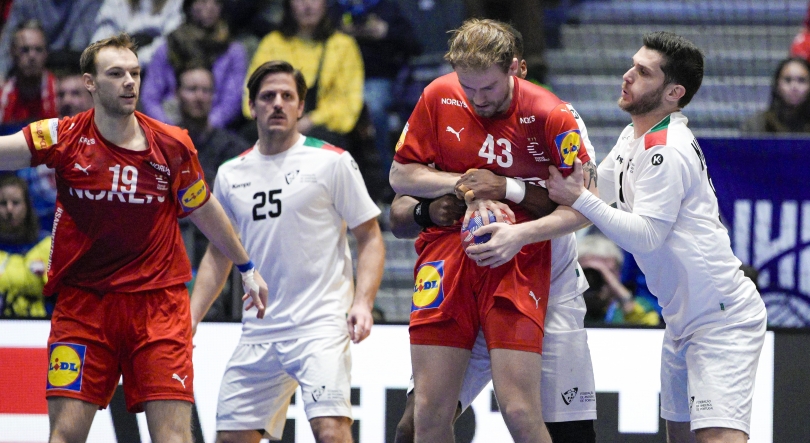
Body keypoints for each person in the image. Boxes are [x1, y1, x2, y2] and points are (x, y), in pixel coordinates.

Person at [0, 33, 269, 443]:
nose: (129, 82)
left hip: (158, 307)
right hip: (83, 306)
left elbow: (203, 208)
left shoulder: (172, 145)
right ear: (89, 82)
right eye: (116, 73)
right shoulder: (63, 136)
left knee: (173, 439)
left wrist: (247, 266)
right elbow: (5, 150)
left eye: (135, 73)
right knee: (64, 437)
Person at [544, 31, 767, 443]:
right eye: (632, 65)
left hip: (721, 319)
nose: (627, 76)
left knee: (717, 438)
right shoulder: (634, 138)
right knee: (679, 438)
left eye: (643, 72)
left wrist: (578, 197)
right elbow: (592, 196)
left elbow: (645, 235)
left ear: (673, 92)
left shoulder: (668, 149)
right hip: (681, 319)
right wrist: (514, 196)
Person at [389, 18, 597, 443]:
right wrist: (464, 182)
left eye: (488, 89)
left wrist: (509, 197)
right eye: (469, 88)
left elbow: (586, 208)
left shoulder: (552, 115)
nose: (478, 100)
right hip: (457, 266)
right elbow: (399, 179)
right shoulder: (440, 95)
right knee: (417, 423)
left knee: (539, 419)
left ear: (515, 69)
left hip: (539, 274)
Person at [190, 60, 385, 443]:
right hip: (257, 331)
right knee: (230, 439)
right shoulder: (231, 173)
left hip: (320, 326)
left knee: (330, 431)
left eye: (287, 96)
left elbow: (371, 236)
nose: (277, 104)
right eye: (267, 97)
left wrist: (362, 302)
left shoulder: (332, 161)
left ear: (300, 107)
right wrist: (191, 317)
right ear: (251, 106)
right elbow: (218, 252)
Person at [243, 0, 364, 150]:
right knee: (249, 136)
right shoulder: (272, 43)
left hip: (321, 129)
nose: (307, 5)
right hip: (275, 123)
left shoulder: (344, 46)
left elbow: (348, 105)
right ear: (289, 5)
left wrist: (311, 120)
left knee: (322, 142)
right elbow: (252, 94)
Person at [330, 0, 422, 184]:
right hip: (340, 78)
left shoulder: (385, 6)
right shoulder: (333, 9)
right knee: (334, 109)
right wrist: (340, 32)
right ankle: (342, 177)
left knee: (374, 107)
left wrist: (385, 31)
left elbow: (415, 45)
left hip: (377, 77)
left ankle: (389, 174)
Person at [141, 0, 247, 129]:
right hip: (169, 123)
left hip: (212, 129)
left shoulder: (233, 51)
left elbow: (231, 102)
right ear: (189, 6)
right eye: (202, 1)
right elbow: (150, 97)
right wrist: (169, 128)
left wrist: (207, 128)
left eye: (215, 3)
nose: (209, 7)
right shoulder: (169, 46)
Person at [16, 70, 94, 236]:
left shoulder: (106, 142)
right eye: (61, 94)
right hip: (40, 239)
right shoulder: (40, 135)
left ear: (92, 99)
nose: (67, 100)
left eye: (75, 94)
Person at [0, 0, 101, 85]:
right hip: (32, 70)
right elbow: (7, 46)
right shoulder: (25, 2)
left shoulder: (88, 1)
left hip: (72, 70)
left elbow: (79, 47)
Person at [577, 234, 660, 326]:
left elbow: (651, 330)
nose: (595, 278)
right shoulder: (566, 308)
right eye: (588, 272)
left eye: (607, 271)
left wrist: (625, 299)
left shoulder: (637, 306)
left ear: (619, 274)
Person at [0, 174, 51, 318]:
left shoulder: (47, 245)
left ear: (27, 206)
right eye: (3, 203)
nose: (9, 209)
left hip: (39, 329)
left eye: (15, 202)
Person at [0, 20, 58, 127]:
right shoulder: (2, 98)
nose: (32, 56)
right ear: (12, 53)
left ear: (46, 53)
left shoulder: (60, 93)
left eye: (38, 49)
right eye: (25, 50)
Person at [91, 0, 184, 66]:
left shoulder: (175, 3)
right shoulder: (116, 2)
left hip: (153, 60)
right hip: (121, 53)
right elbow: (104, 31)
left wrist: (136, 61)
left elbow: (169, 39)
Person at [740, 57, 810, 134]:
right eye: (788, 80)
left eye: (801, 80)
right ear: (777, 85)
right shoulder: (756, 125)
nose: (794, 87)